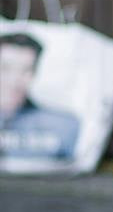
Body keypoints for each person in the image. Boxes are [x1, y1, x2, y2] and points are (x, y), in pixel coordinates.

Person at [0, 33, 80, 162]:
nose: (14, 81)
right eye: (5, 68)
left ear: (35, 73)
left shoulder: (63, 125)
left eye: (26, 70)